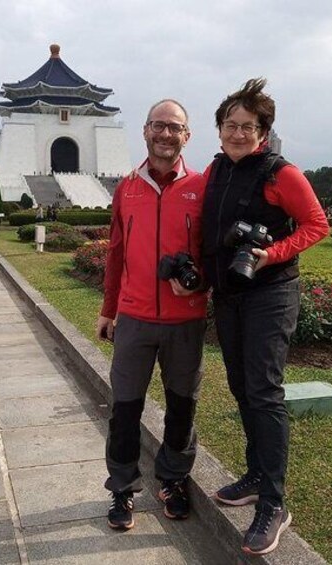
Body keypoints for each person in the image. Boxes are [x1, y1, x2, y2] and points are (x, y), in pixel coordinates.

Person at [201, 78, 329, 556]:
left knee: (265, 390)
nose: (238, 133)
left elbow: (318, 224)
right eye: (230, 124)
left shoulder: (281, 174)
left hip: (270, 294)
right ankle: (255, 475)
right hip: (229, 295)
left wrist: (272, 253)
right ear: (218, 129)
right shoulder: (215, 171)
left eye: (248, 126)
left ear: (263, 131)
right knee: (241, 386)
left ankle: (274, 502)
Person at [96, 99, 207, 531]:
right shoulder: (127, 188)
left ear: (187, 136)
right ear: (145, 131)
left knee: (183, 407)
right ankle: (122, 489)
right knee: (125, 408)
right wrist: (109, 309)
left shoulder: (202, 187)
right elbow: (116, 253)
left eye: (174, 128)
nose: (165, 134)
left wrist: (201, 282)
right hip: (136, 319)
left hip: (185, 320)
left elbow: (212, 254)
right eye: (158, 126)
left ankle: (174, 479)